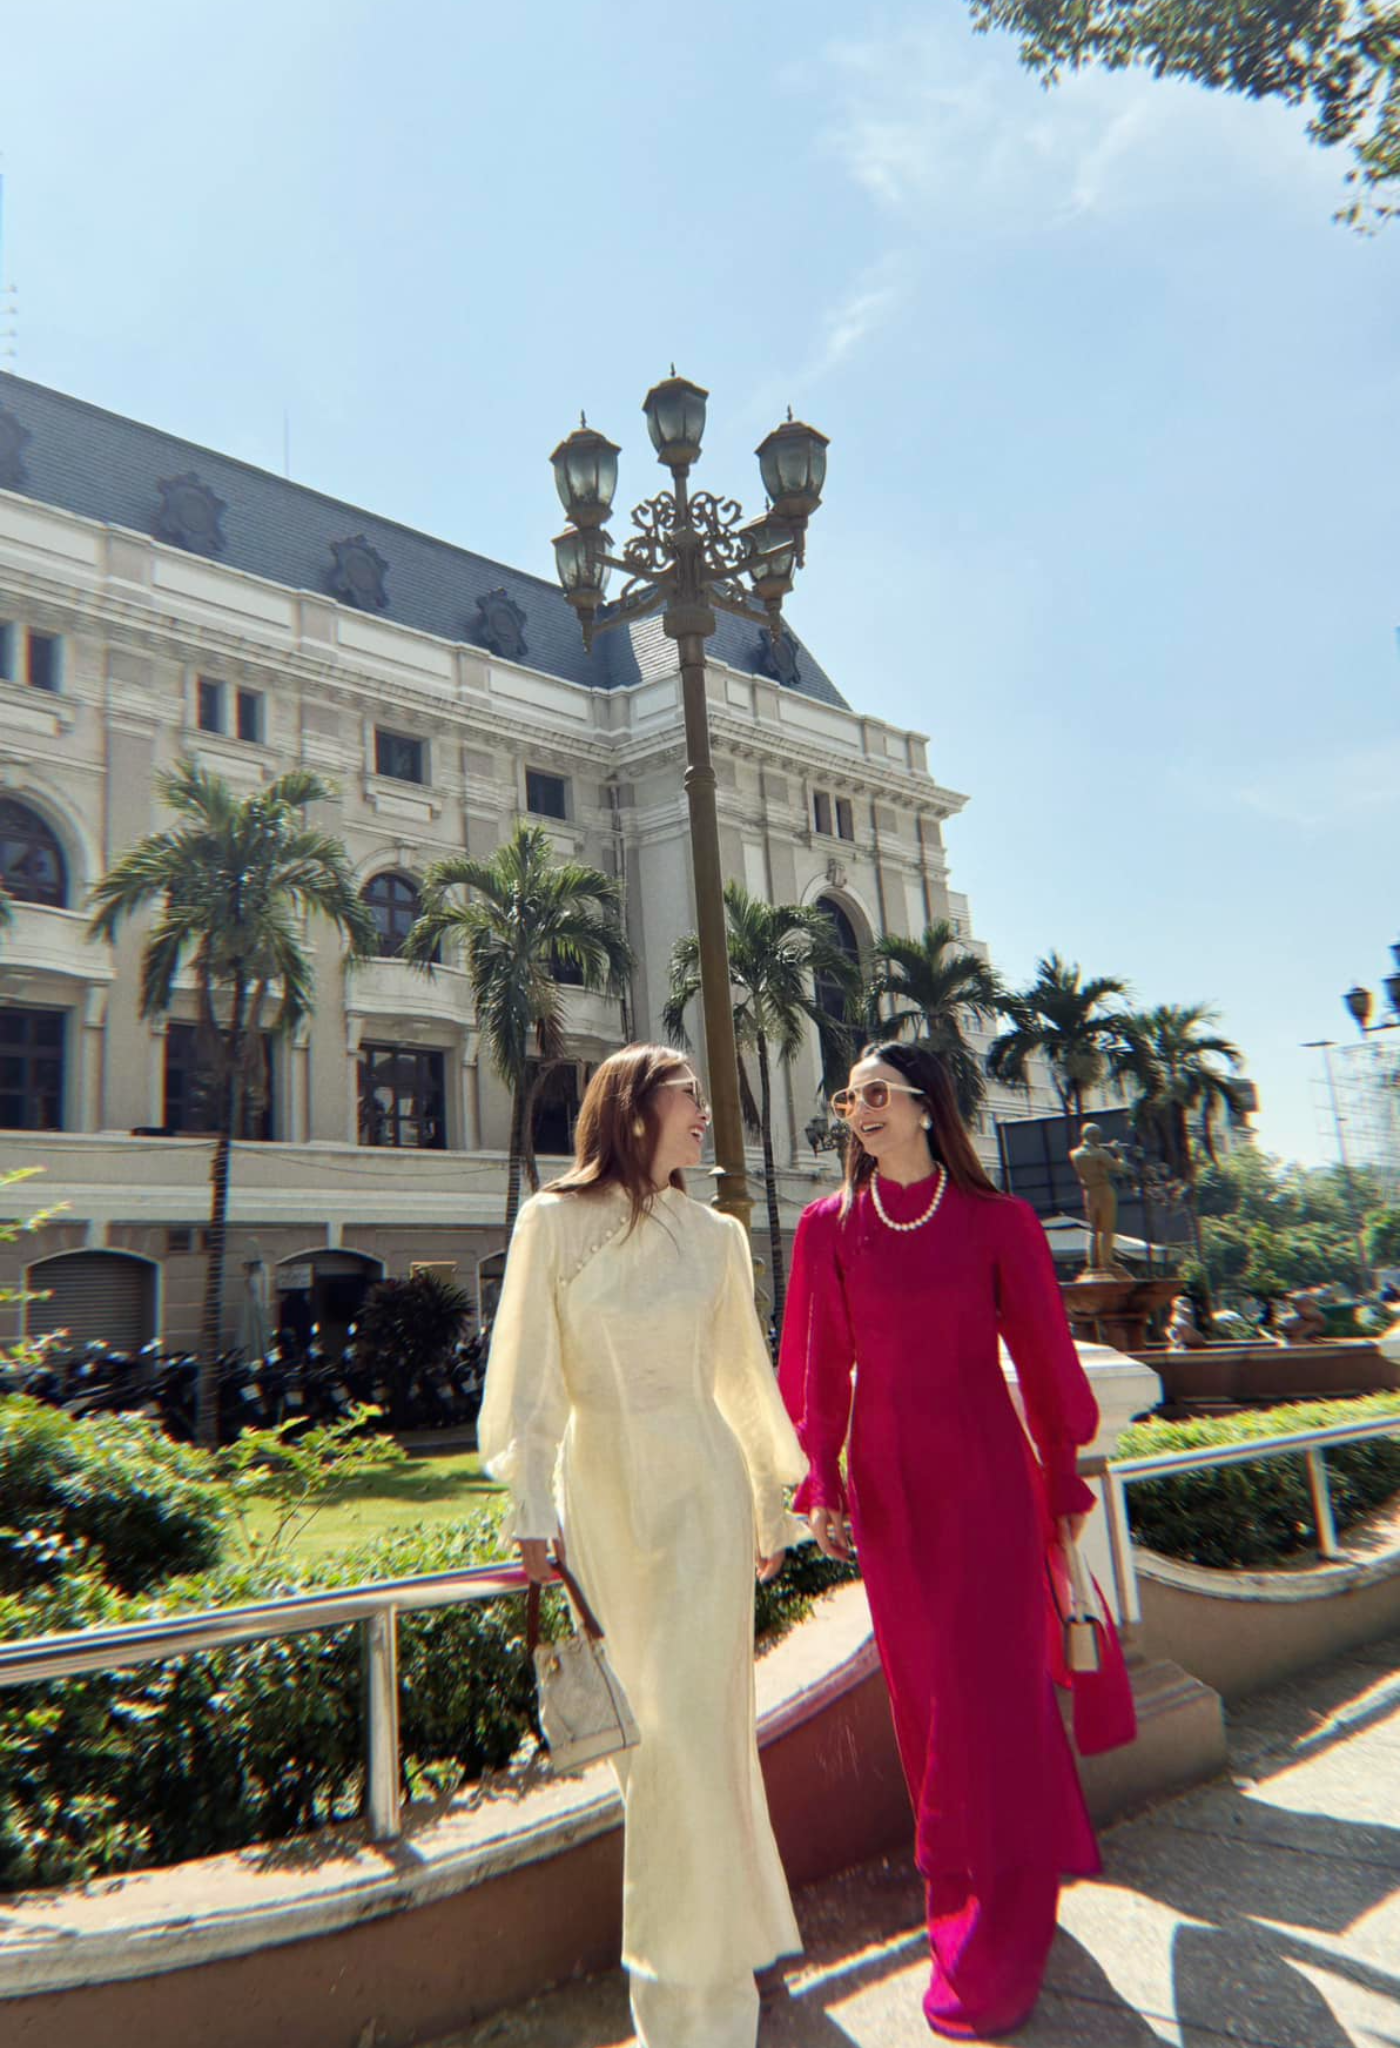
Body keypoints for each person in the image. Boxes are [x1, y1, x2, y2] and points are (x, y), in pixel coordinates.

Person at [478, 1043, 805, 2048]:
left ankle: (706, 2004)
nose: (705, 1112)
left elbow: (742, 1379)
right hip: (609, 1502)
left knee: (695, 1742)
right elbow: (528, 1382)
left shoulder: (714, 1236)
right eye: (689, 1095)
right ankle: (697, 1970)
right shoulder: (552, 1222)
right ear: (633, 1106)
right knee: (654, 1748)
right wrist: (529, 1508)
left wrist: (767, 1503)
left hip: (704, 1500)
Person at [779, 1041, 1103, 2040]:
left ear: (926, 1109)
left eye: (875, 1094)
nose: (857, 1110)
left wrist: (1059, 1467)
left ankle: (1012, 1910)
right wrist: (821, 1478)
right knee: (927, 1707)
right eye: (849, 1097)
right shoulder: (826, 1228)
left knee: (994, 1691)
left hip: (986, 1480)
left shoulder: (996, 1222)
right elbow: (815, 1364)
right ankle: (955, 1900)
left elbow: (1045, 1354)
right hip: (887, 1488)